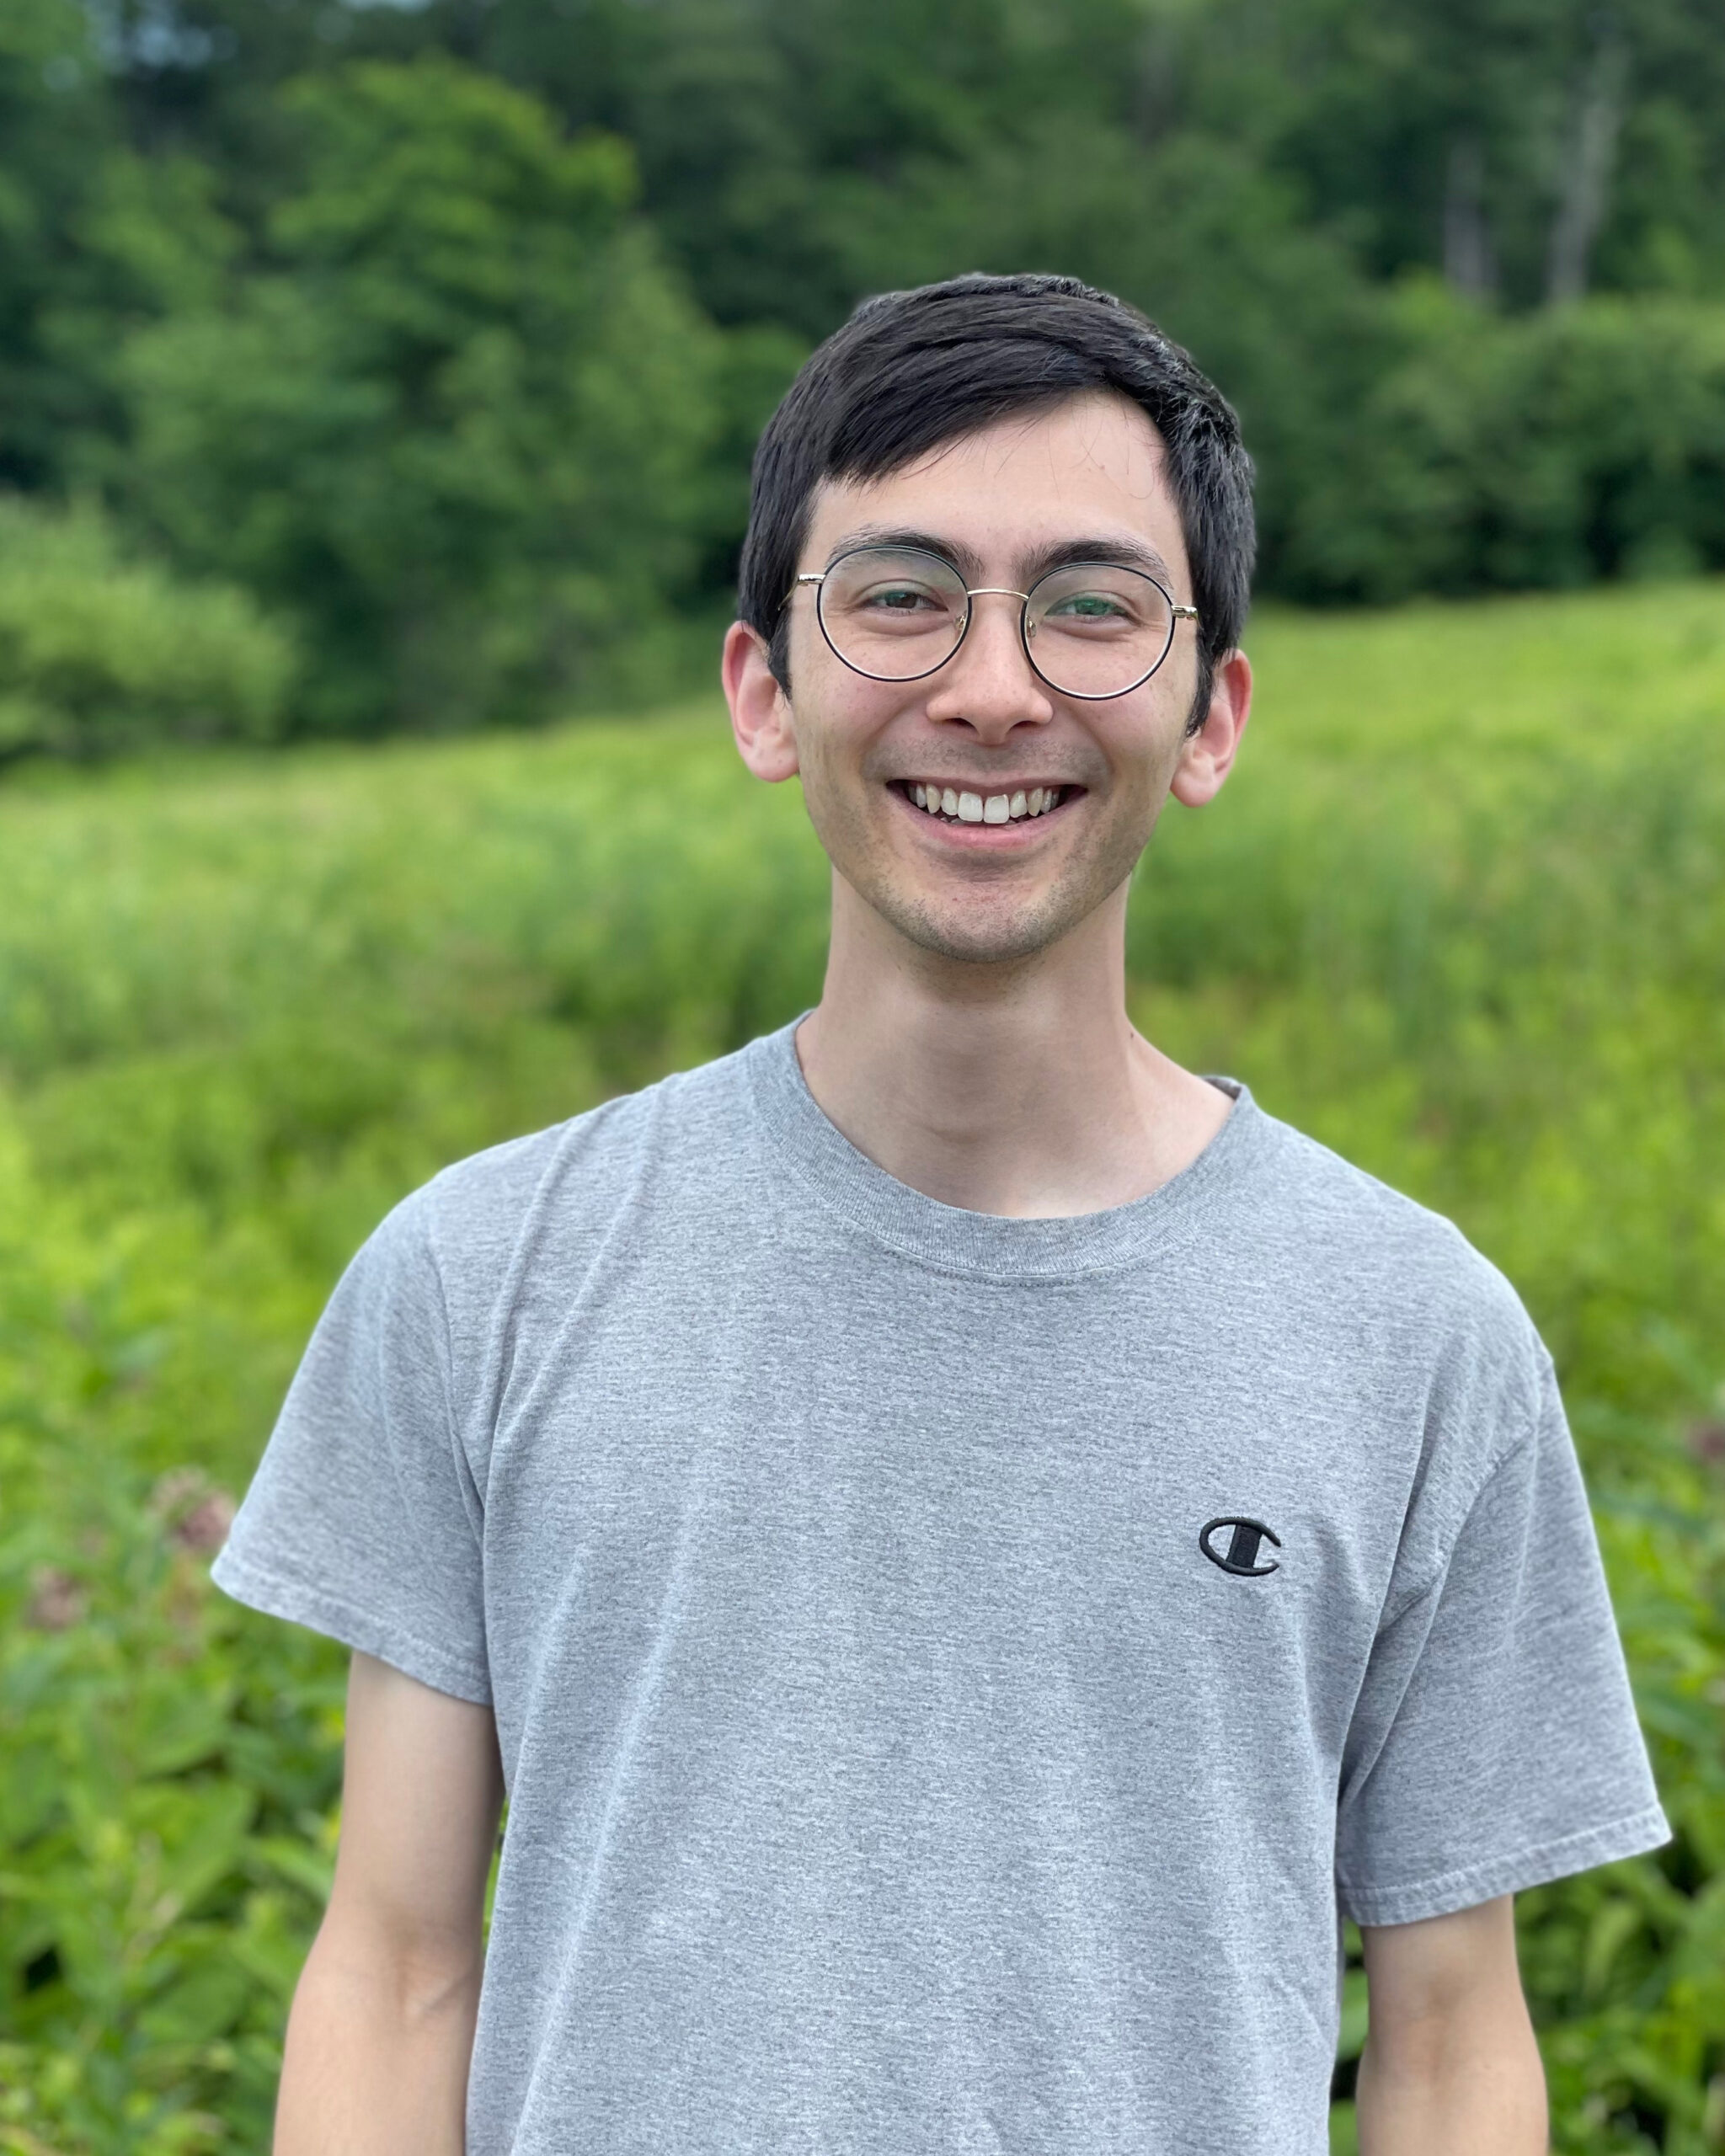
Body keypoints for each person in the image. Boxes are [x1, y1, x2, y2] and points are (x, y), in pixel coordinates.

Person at [214, 272, 1669, 2155]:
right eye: (900, 596)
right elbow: (397, 1962)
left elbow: (1456, 2037)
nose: (992, 688)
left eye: (1090, 606)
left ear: (1210, 713)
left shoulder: (1411, 1330)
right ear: (764, 688)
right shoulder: (483, 1273)